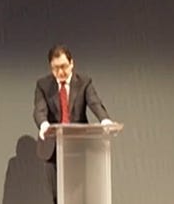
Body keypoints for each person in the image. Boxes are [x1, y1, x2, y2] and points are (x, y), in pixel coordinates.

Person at [34, 44, 116, 201]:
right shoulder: (43, 85)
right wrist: (44, 125)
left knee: (79, 194)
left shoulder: (84, 82)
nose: (60, 72)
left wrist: (104, 119)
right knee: (57, 196)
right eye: (55, 68)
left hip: (79, 146)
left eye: (64, 66)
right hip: (53, 149)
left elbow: (94, 102)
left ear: (72, 63)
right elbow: (39, 110)